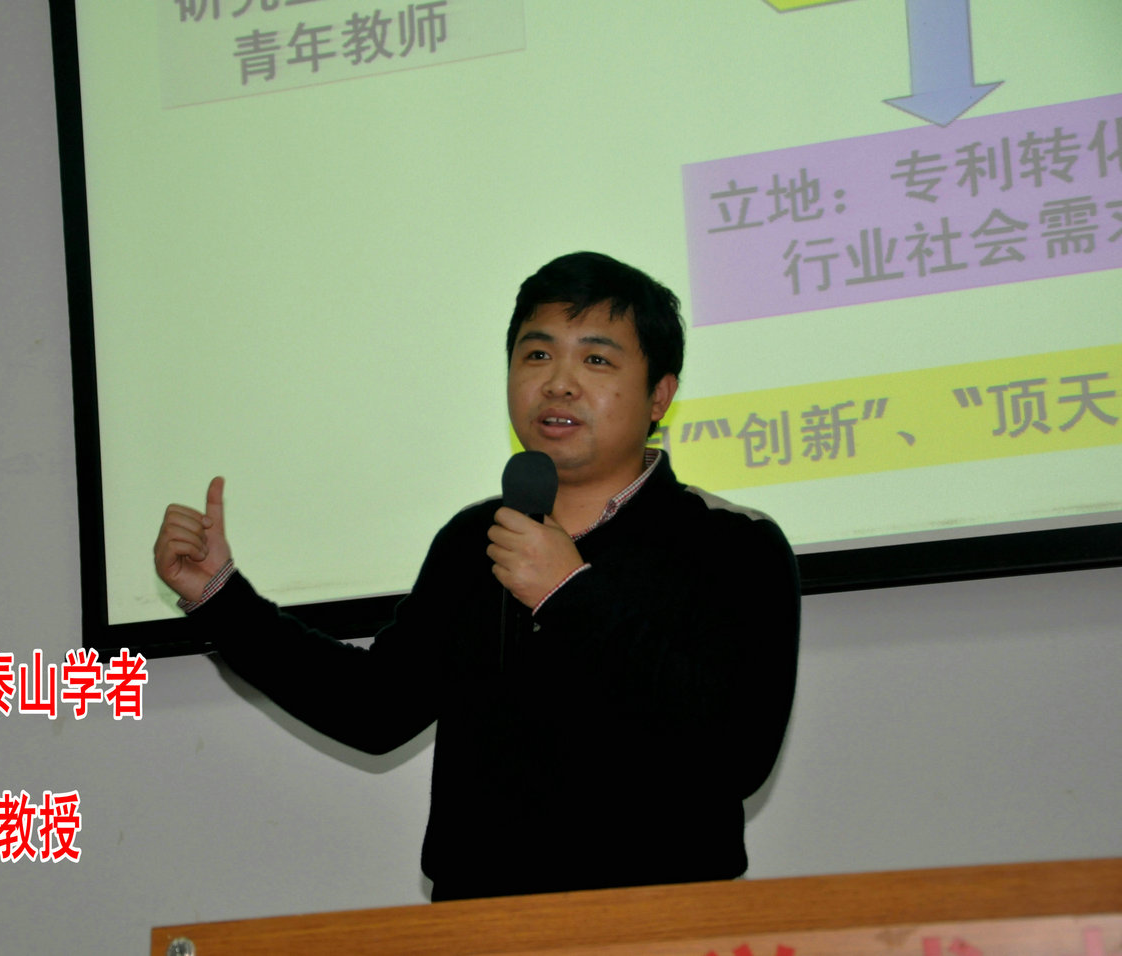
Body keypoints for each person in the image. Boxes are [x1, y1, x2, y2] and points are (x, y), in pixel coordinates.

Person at [154, 251, 800, 901]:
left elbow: (738, 755)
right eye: (537, 354)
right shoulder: (474, 540)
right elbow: (375, 709)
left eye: (596, 360)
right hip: (479, 923)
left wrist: (570, 595)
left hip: (661, 918)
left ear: (660, 394)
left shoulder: (733, 545)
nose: (559, 383)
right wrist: (221, 596)